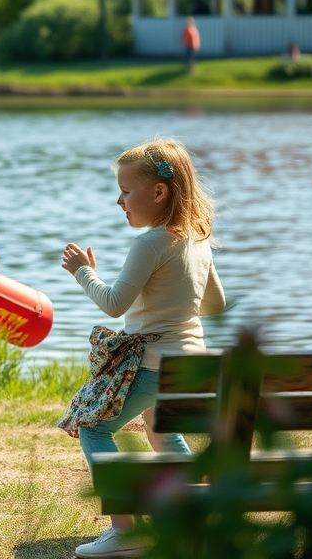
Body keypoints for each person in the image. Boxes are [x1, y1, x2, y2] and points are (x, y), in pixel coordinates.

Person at [60, 138, 226, 558]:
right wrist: (170, 302)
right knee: (161, 430)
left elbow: (114, 304)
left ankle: (125, 528)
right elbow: (215, 304)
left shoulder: (150, 243)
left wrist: (84, 273)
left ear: (158, 192)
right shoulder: (196, 239)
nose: (119, 200)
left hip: (153, 363)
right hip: (192, 361)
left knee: (94, 427)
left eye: (126, 190)